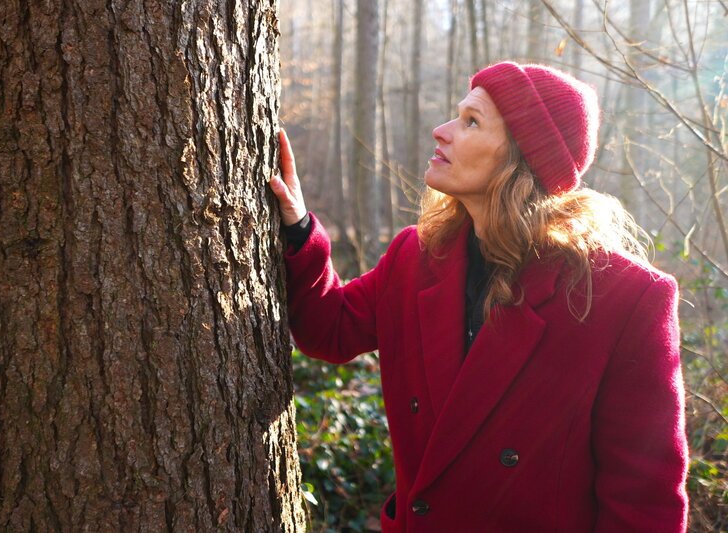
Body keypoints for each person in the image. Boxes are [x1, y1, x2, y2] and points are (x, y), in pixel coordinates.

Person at [269, 61, 688, 532]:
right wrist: (300, 228)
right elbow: (332, 328)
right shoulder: (418, 254)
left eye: (471, 122)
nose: (441, 131)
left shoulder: (624, 298)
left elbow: (644, 500)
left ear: (522, 158)